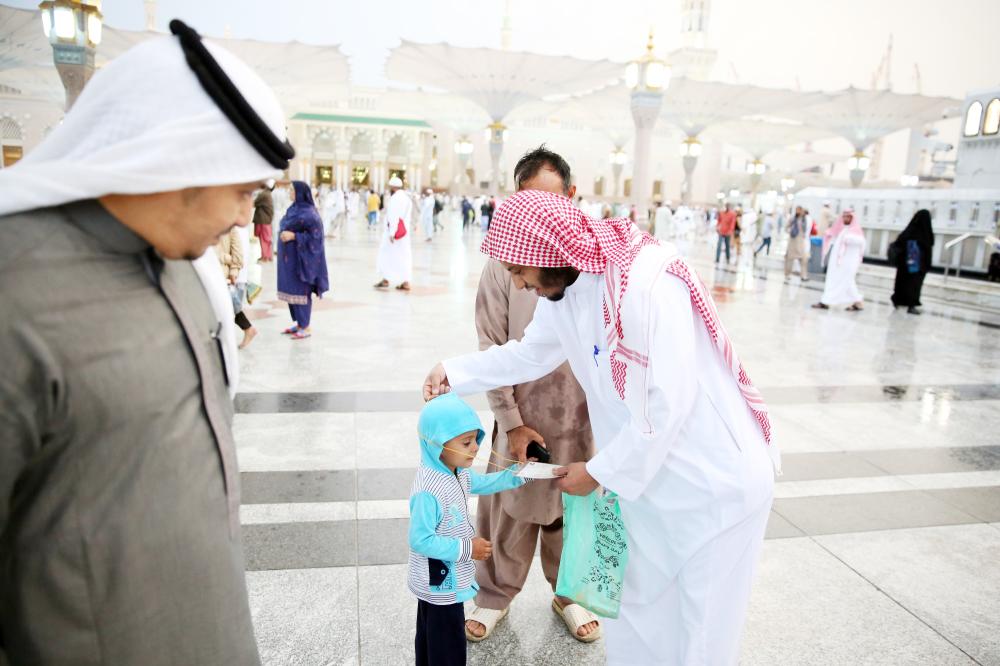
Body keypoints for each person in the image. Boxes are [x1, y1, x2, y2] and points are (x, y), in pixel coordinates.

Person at [0, 20, 293, 665]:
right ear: (181, 163)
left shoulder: (186, 267)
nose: (248, 216)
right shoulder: (16, 293)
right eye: (244, 190)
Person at [422, 190, 779, 665]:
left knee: (700, 626)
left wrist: (600, 470)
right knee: (638, 607)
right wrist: (455, 370)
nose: (520, 283)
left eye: (517, 270)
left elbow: (666, 404)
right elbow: (529, 354)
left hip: (710, 483)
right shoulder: (564, 292)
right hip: (648, 480)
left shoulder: (644, 286)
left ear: (546, 250)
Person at [465, 147, 598, 644]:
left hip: (583, 418)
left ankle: (570, 593)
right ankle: (494, 594)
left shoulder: (590, 264)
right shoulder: (503, 266)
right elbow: (492, 344)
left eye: (551, 201)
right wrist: (511, 419)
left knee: (573, 509)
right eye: (529, 202)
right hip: (522, 413)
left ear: (572, 196)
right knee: (510, 512)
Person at [409, 393, 526, 666]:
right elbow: (419, 539)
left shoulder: (456, 471)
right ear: (436, 443)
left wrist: (521, 475)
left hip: (442, 580)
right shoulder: (429, 489)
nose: (475, 448)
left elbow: (485, 483)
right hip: (440, 582)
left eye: (476, 439)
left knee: (431, 636)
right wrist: (467, 548)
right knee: (448, 644)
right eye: (466, 442)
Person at [277, 180, 329, 338]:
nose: (289, 193)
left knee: (301, 291)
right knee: (292, 290)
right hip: (289, 260)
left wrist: (294, 236)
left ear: (300, 193)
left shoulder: (310, 214)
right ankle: (299, 323)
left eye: (292, 190)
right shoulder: (293, 209)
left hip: (301, 262)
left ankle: (305, 327)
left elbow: (316, 238)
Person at [813, 208, 866, 311]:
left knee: (841, 281)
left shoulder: (855, 230)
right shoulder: (844, 230)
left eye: (848, 217)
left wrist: (850, 239)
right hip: (838, 263)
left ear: (852, 218)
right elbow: (833, 236)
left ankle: (826, 301)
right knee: (846, 282)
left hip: (848, 263)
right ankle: (858, 302)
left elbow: (861, 243)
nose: (845, 218)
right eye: (844, 216)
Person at [220, 222, 258, 349]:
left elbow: (237, 251)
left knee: (229, 306)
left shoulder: (230, 225)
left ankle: (247, 328)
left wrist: (233, 269)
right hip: (216, 273)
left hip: (224, 274)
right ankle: (247, 328)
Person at [890, 209, 934, 314]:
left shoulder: (908, 231)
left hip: (904, 265)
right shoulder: (926, 233)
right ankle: (911, 305)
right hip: (918, 266)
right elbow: (928, 249)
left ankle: (898, 300)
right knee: (914, 285)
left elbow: (899, 244)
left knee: (902, 283)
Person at [374, 176, 413, 291]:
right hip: (404, 233)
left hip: (394, 234)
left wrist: (392, 233)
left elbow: (394, 216)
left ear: (393, 187)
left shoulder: (396, 198)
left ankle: (386, 280)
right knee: (403, 256)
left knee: (387, 255)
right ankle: (405, 281)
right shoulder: (406, 198)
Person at [783, 206, 810, 281]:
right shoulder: (793, 219)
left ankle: (803, 275)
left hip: (801, 242)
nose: (800, 212)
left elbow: (806, 231)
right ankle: (787, 274)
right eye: (798, 210)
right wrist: (790, 232)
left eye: (800, 210)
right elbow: (786, 228)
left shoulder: (804, 220)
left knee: (803, 259)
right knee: (789, 259)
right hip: (793, 241)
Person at [253, 185, 274, 261]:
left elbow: (254, 203)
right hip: (267, 220)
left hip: (263, 220)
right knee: (267, 239)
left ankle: (265, 257)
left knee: (264, 239)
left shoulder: (263, 194)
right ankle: (267, 256)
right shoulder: (268, 194)